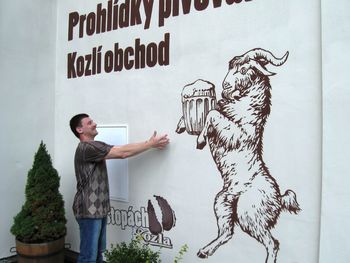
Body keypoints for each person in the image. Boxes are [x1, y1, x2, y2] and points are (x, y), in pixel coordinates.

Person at [69, 113, 169, 263]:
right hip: (88, 210)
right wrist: (150, 144)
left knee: (98, 254)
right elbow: (122, 153)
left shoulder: (94, 147)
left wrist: (149, 143)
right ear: (80, 130)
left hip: (98, 209)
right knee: (88, 257)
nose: (94, 124)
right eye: (89, 123)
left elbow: (122, 149)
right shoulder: (87, 147)